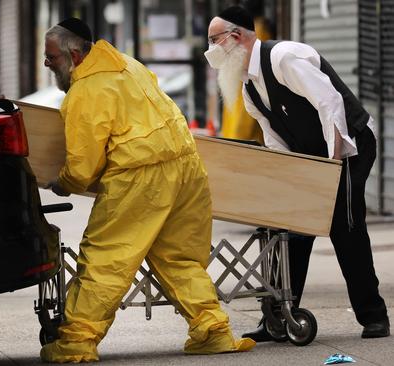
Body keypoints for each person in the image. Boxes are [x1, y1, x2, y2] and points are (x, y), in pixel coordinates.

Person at [41, 17, 255, 363]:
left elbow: (83, 165)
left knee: (105, 259)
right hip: (185, 166)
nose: (47, 63)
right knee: (180, 257)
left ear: (76, 55)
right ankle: (213, 331)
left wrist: (64, 183)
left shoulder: (86, 91)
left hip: (140, 175)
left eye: (52, 57)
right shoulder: (128, 64)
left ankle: (76, 344)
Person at [205, 6, 390, 341]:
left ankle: (374, 317)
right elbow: (274, 139)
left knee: (345, 227)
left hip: (348, 147)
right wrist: (288, 183)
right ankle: (277, 319)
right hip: (308, 157)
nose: (210, 50)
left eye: (213, 40)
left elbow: (329, 103)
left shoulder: (283, 58)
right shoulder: (248, 86)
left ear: (236, 38)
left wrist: (333, 165)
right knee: (290, 231)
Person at [220, 0, 271, 143]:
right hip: (236, 136)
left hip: (246, 140)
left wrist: (238, 140)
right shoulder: (245, 31)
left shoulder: (256, 31)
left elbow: (253, 84)